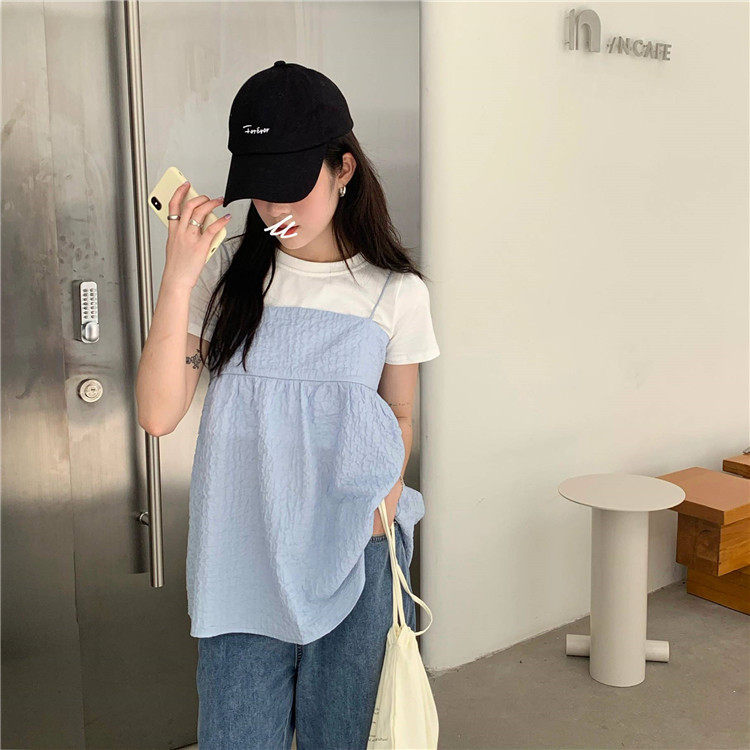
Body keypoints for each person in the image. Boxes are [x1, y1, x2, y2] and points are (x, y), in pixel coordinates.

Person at [135, 61, 439, 749]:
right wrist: (179, 276)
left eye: (292, 186)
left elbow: (399, 416)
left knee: (344, 739)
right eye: (262, 190)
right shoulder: (225, 274)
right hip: (240, 557)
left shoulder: (396, 293)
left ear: (344, 169)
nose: (275, 210)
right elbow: (157, 414)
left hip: (354, 550)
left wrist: (381, 507)